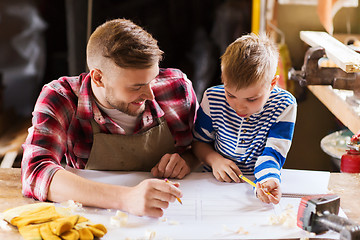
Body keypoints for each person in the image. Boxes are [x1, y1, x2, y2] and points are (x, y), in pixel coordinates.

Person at [21, 18, 199, 218]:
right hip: (97, 216)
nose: (150, 94)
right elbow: (35, 173)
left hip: (173, 214)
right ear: (98, 77)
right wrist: (126, 199)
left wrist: (187, 160)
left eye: (152, 79)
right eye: (136, 86)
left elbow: (201, 149)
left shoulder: (177, 88)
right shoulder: (62, 97)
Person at [192, 33, 297, 204]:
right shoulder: (212, 98)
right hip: (212, 184)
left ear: (272, 84)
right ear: (223, 79)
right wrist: (215, 160)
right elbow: (198, 143)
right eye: (231, 95)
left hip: (252, 187)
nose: (239, 107)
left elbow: (273, 152)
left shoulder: (284, 105)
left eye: (251, 99)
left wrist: (267, 181)